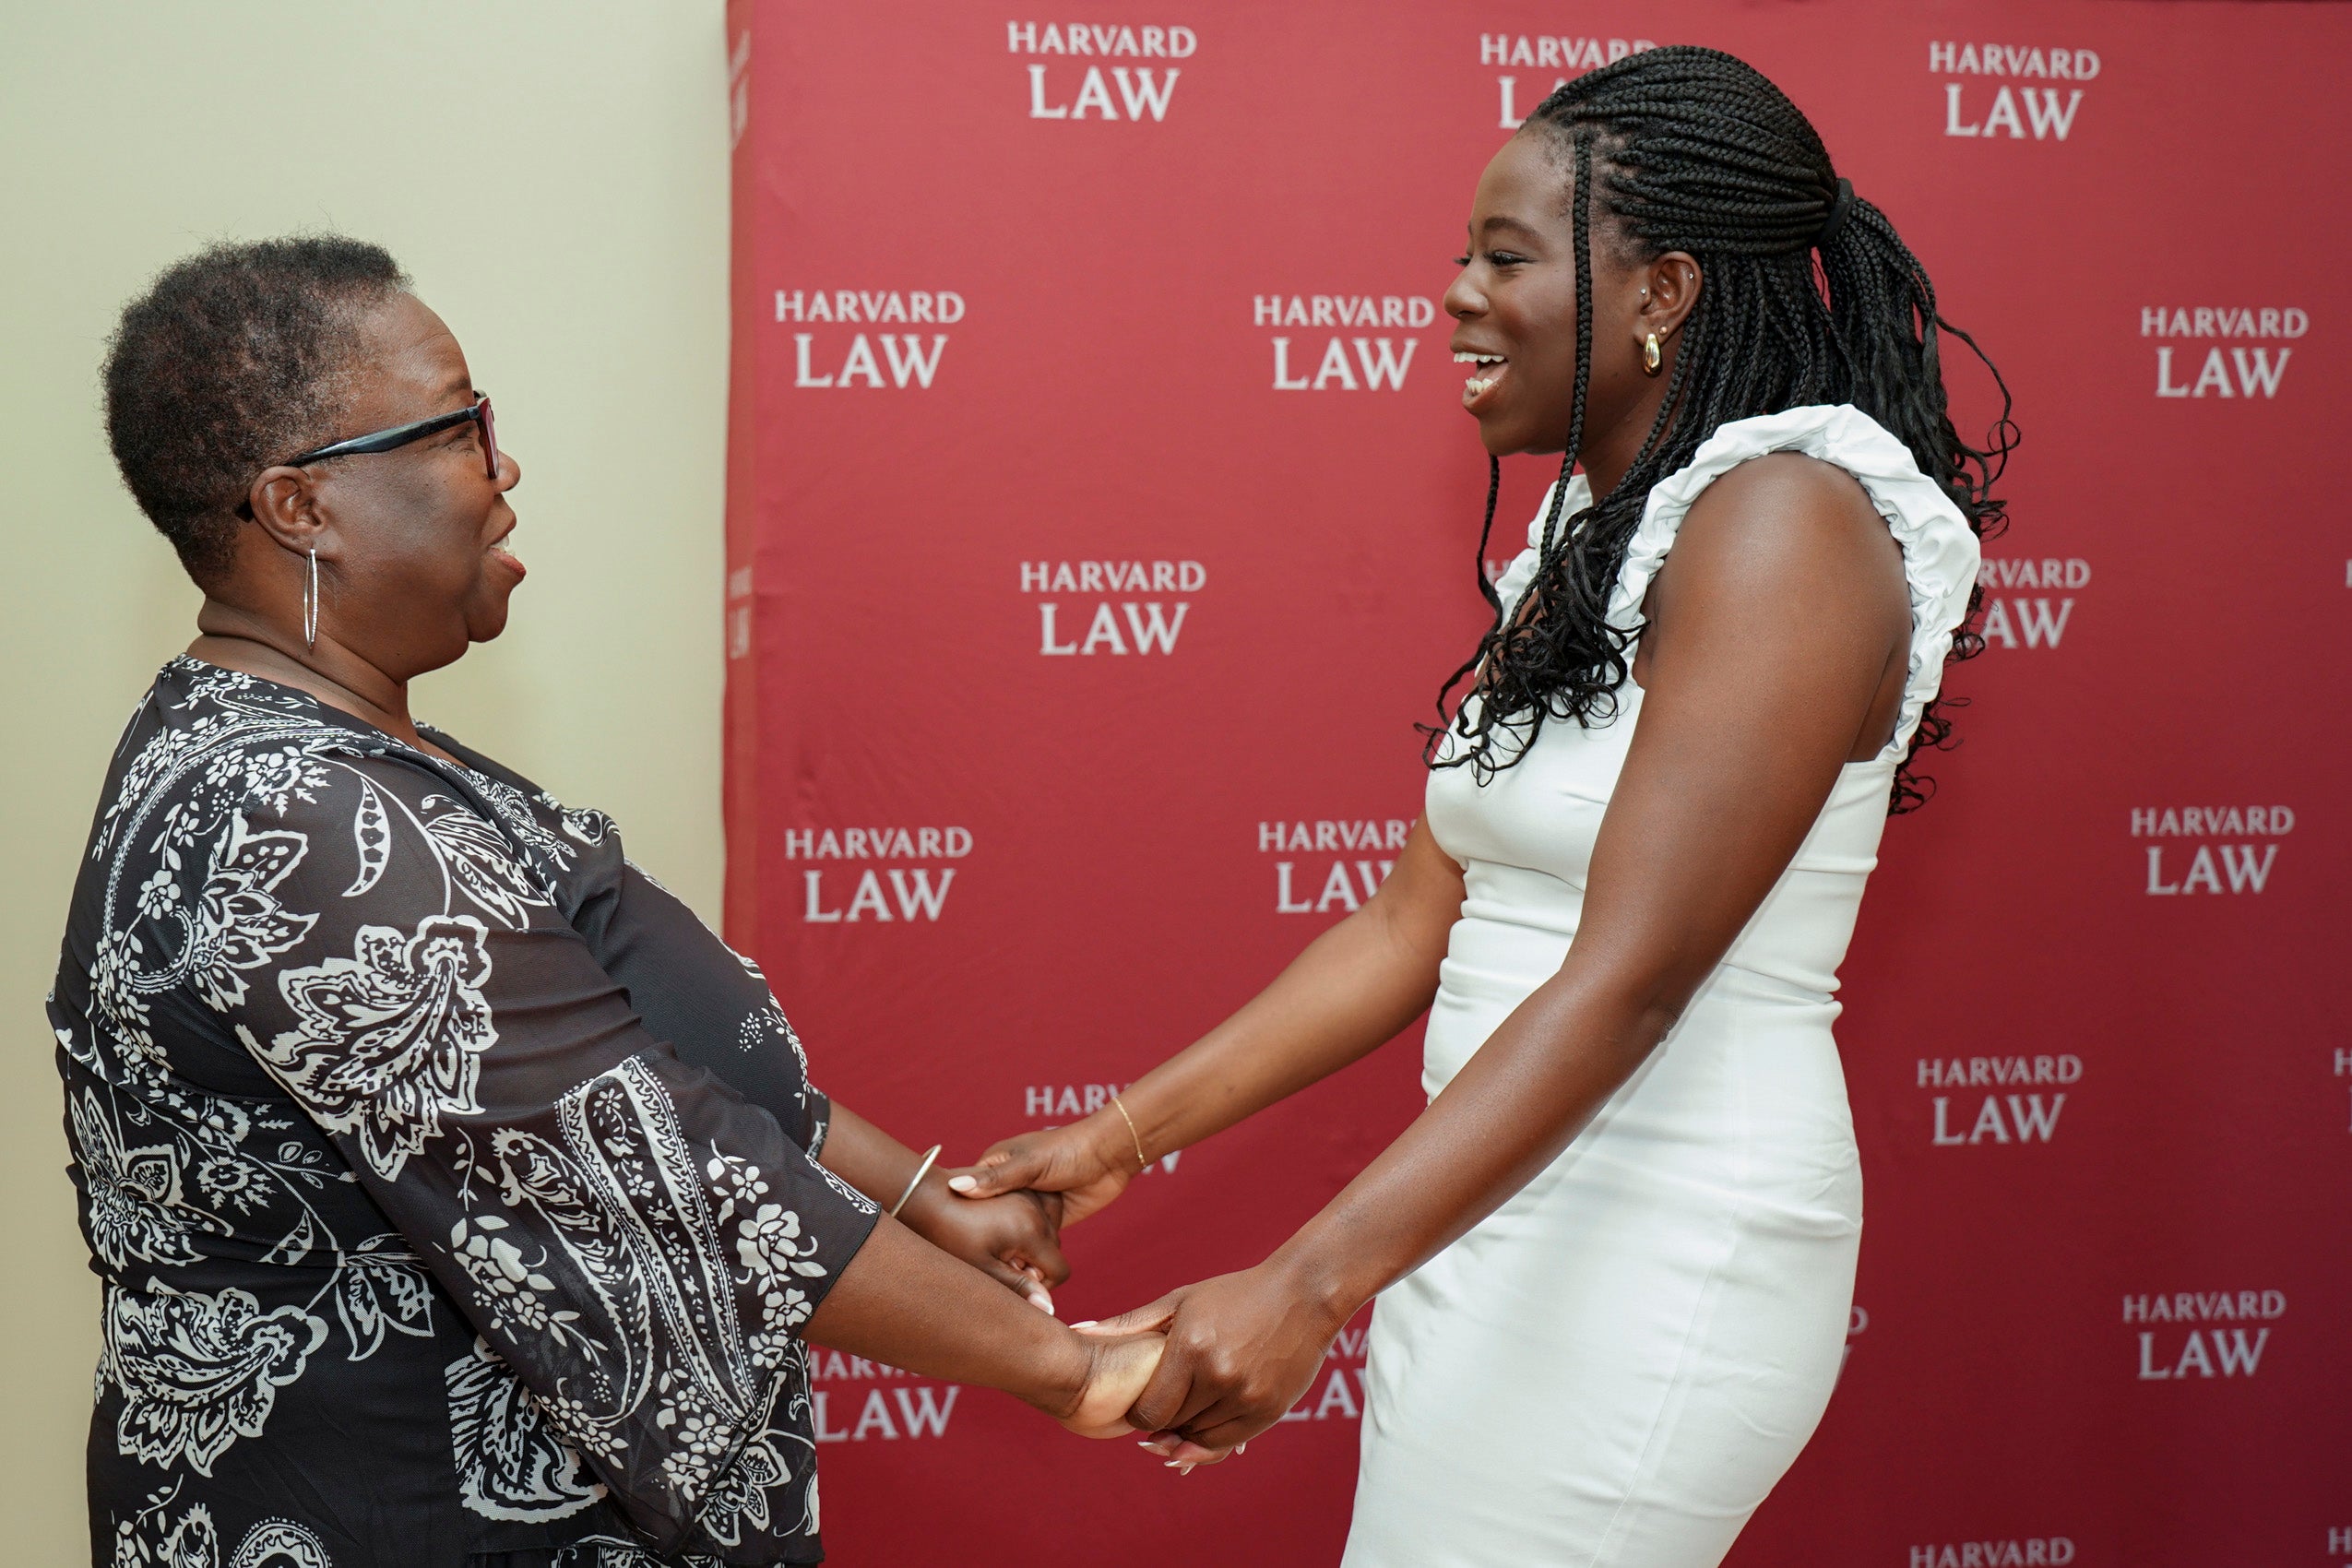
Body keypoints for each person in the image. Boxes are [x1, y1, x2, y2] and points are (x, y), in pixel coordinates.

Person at [944, 45, 2012, 1565]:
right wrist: (1123, 1138)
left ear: (1664, 294)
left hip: (1657, 1240)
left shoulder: (1785, 525)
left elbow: (1631, 979)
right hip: (1492, 1212)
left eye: (1504, 257)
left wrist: (1307, 1283)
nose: (1453, 295)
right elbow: (1411, 922)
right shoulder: (1603, 529)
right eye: (1462, 255)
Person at [56, 237, 1160, 1568]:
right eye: (462, 426)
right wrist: (1072, 1374)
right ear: (301, 507)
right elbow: (654, 1169)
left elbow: (629, 1044)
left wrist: (929, 1200)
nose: (502, 466)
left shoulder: (334, 757)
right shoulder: (302, 816)